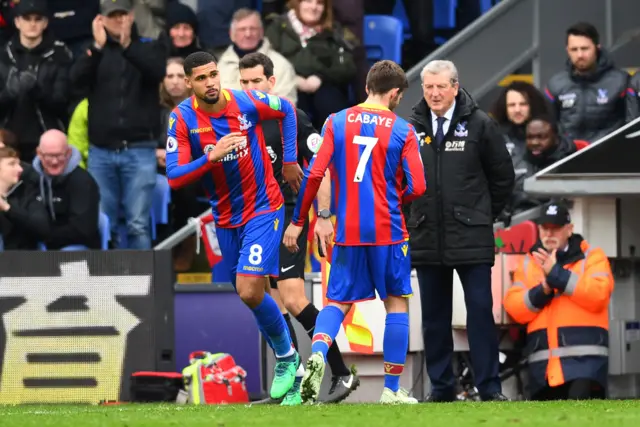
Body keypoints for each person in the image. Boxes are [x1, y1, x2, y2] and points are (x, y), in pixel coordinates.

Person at [284, 60, 426, 404]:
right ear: (395, 93)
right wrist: (398, 195)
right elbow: (419, 186)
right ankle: (391, 391)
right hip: (388, 229)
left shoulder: (336, 121)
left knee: (338, 302)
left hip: (346, 229)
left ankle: (318, 356)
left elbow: (314, 174)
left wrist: (303, 219)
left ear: (366, 87)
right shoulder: (403, 130)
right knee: (395, 303)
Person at [165, 51, 304, 404]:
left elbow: (286, 109)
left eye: (213, 74)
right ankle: (292, 364)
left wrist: (288, 161)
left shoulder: (245, 101)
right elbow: (174, 177)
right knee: (253, 297)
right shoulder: (181, 119)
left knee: (247, 289)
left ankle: (289, 360)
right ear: (188, 83)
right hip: (224, 218)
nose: (210, 82)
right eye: (201, 78)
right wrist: (209, 158)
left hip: (264, 207)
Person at [238, 52, 359, 404]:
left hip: (290, 216)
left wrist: (322, 215)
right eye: (244, 83)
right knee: (271, 303)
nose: (250, 89)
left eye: (256, 81)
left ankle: (340, 372)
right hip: (256, 218)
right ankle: (293, 383)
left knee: (293, 298)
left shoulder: (292, 117)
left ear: (271, 83)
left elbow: (319, 167)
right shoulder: (238, 120)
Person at [407, 60, 514, 402]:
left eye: (441, 87)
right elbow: (398, 182)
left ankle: (490, 388)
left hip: (472, 236)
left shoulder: (481, 124)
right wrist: (415, 217)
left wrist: (481, 215)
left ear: (455, 86)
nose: (434, 94)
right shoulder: (411, 127)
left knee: (480, 312)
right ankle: (441, 389)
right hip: (426, 235)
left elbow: (503, 178)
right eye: (428, 87)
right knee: (434, 319)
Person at [68, 0, 166, 249]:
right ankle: (106, 283)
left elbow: (156, 72)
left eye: (123, 15)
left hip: (140, 148)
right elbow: (74, 82)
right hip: (101, 150)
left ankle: (145, 285)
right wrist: (97, 47)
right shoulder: (93, 53)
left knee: (138, 223)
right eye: (113, 16)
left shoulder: (149, 47)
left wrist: (127, 46)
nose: (119, 21)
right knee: (104, 222)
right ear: (101, 21)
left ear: (132, 17)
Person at [504, 203, 613, 400]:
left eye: (555, 228)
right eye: (545, 228)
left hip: (585, 366)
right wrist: (544, 289)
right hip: (543, 370)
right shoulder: (529, 263)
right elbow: (514, 308)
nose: (549, 233)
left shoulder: (592, 257)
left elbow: (599, 295)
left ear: (569, 229)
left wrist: (557, 275)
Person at [544, 22, 635, 143]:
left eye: (585, 48)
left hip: (610, 155)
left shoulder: (622, 81)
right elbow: (548, 128)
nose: (580, 55)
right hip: (569, 157)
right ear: (567, 50)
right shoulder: (555, 84)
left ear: (597, 47)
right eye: (574, 49)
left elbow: (632, 126)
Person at [32, 129, 100, 250]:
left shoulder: (83, 182)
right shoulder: (31, 178)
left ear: (68, 153)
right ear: (39, 154)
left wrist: (45, 236)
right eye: (49, 156)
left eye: (59, 155)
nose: (54, 161)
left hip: (76, 249)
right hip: (39, 247)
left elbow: (83, 230)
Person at [0, 145, 49, 250]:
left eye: (19, 164)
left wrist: (8, 209)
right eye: (12, 164)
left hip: (19, 259)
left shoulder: (27, 194)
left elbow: (42, 228)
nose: (20, 169)